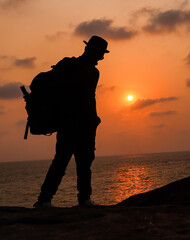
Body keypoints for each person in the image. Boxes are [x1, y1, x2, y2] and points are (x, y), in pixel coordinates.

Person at [33, 36, 109, 208]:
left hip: (75, 124)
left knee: (70, 162)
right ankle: (75, 199)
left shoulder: (71, 67)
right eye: (101, 53)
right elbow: (89, 99)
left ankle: (48, 199)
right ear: (92, 51)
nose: (102, 57)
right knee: (74, 163)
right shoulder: (88, 71)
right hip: (75, 124)